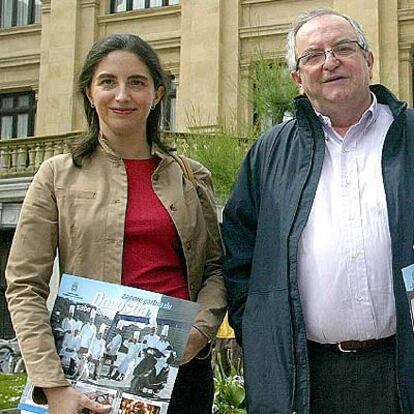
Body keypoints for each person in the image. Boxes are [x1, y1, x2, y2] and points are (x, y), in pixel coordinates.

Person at [5, 33, 227, 414]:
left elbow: (216, 269)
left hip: (182, 371)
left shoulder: (191, 177)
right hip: (89, 378)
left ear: (158, 94)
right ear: (90, 93)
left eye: (136, 82)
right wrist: (53, 385)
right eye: (108, 82)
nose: (122, 95)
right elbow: (25, 286)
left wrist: (198, 332)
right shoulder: (57, 176)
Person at [222, 8, 414, 414]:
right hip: (306, 378)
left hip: (404, 367)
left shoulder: (411, 136)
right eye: (313, 55)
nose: (330, 62)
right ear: (297, 76)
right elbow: (239, 254)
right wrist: (257, 331)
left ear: (368, 60)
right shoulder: (268, 154)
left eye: (343, 48)